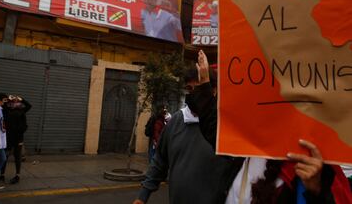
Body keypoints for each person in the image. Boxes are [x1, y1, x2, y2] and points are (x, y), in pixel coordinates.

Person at [190, 50, 352, 203]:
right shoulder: (244, 146)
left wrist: (317, 190)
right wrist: (204, 85)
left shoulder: (308, 165)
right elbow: (214, 130)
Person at [132, 68, 231, 204]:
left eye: (198, 88)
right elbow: (160, 161)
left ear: (213, 91)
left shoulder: (226, 127)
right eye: (189, 89)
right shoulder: (175, 122)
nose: (193, 94)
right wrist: (142, 196)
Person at [0, 95, 31, 184]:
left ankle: (17, 175)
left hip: (18, 137)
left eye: (17, 102)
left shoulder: (22, 111)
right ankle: (2, 175)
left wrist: (22, 99)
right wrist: (9, 98)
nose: (15, 103)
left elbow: (29, 106)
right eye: (13, 102)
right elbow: (3, 105)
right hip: (8, 137)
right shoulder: (7, 110)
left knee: (17, 157)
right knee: (5, 156)